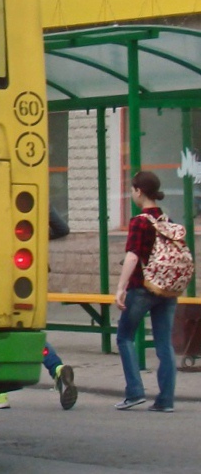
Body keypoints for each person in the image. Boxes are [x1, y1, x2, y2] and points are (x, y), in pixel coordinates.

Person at [0, 207, 78, 410]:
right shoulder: (34, 199)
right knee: (25, 329)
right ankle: (57, 369)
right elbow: (62, 229)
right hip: (30, 271)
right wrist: (37, 240)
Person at [114, 170, 177, 412]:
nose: (131, 193)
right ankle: (165, 400)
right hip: (167, 289)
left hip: (141, 289)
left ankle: (135, 392)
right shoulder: (166, 219)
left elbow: (132, 256)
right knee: (164, 344)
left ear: (139, 191)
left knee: (125, 337)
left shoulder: (140, 221)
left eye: (132, 189)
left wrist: (121, 287)